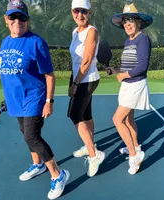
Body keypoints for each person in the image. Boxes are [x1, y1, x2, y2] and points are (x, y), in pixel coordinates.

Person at [0, 1, 69, 199]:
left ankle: (58, 174)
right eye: (13, 17)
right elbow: (9, 74)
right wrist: (7, 98)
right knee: (24, 133)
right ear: (6, 19)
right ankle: (38, 165)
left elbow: (50, 75)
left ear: (27, 20)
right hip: (15, 99)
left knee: (32, 137)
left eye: (21, 17)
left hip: (34, 97)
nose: (17, 20)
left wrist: (49, 101)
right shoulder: (5, 42)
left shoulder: (36, 42)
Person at [108, 3, 153, 175]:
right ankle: (134, 145)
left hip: (135, 85)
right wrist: (116, 71)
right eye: (125, 21)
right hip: (127, 85)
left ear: (139, 23)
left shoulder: (143, 39)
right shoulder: (129, 40)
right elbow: (127, 65)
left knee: (117, 120)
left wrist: (124, 75)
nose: (127, 24)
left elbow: (142, 66)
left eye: (131, 20)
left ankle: (135, 155)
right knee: (128, 120)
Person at [68, 0, 105, 177]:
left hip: (87, 79)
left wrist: (75, 83)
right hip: (77, 77)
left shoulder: (92, 31)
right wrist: (73, 79)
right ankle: (90, 144)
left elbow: (87, 60)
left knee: (75, 115)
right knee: (86, 115)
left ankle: (94, 154)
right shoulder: (75, 31)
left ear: (89, 13)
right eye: (77, 11)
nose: (80, 15)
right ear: (72, 12)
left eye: (84, 11)